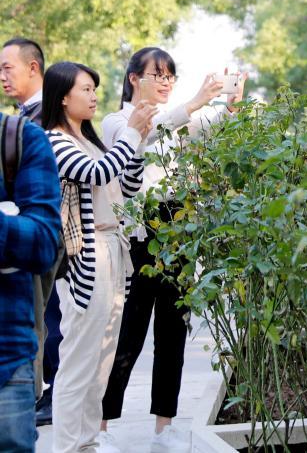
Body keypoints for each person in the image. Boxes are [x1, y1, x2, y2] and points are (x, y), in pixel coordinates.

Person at [99, 47, 245, 453]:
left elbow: (211, 126)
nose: (165, 83)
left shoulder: (183, 117)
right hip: (140, 231)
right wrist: (194, 102)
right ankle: (101, 426)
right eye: (157, 75)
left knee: (173, 329)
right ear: (134, 78)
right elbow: (150, 134)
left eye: (170, 76)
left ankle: (164, 428)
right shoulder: (117, 121)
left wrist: (230, 105)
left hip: (180, 223)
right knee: (128, 332)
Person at [42, 62, 156, 453]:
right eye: (86, 89)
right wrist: (131, 133)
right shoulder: (54, 140)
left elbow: (127, 185)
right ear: (63, 97)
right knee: (78, 360)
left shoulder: (89, 140)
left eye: (94, 89)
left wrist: (138, 143)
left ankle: (87, 442)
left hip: (112, 248)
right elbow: (97, 173)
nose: (93, 96)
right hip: (86, 256)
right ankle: (67, 446)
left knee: (102, 360)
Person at [0, 37, 61, 427]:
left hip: (9, 350)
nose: (3, 77)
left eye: (8, 68)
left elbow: (43, 237)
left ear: (33, 67)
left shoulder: (29, 130)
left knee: (52, 327)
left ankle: (50, 395)